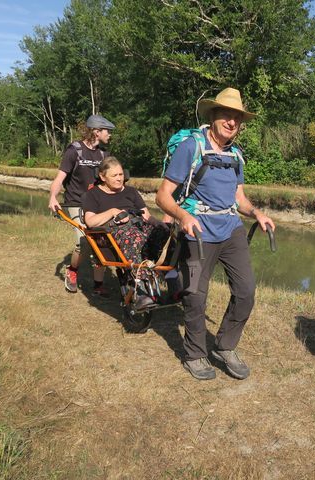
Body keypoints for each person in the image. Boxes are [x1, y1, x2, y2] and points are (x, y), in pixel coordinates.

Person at [156, 87, 275, 381]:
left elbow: (239, 198)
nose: (232, 122)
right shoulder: (191, 148)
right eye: (226, 115)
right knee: (195, 296)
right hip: (197, 232)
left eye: (237, 118)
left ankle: (225, 346)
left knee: (246, 292)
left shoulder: (236, 154)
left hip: (231, 229)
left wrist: (257, 213)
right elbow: (162, 196)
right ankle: (195, 354)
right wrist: (183, 216)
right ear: (213, 115)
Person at [81, 157, 169, 308]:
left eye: (121, 174)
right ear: (102, 177)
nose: (119, 178)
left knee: (167, 235)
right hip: (110, 233)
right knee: (134, 237)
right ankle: (140, 291)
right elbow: (90, 221)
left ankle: (174, 282)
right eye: (114, 175)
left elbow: (146, 215)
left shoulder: (131, 192)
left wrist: (161, 226)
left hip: (137, 226)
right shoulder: (93, 194)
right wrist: (113, 212)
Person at [48, 114, 115, 296]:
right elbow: (59, 178)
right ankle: (73, 270)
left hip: (96, 204)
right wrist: (53, 197)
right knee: (83, 241)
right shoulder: (74, 151)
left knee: (102, 240)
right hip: (76, 202)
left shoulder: (104, 154)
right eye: (107, 131)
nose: (110, 134)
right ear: (96, 131)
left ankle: (98, 285)